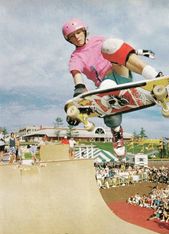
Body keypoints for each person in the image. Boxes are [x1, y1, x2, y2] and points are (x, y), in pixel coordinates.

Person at [62, 18, 163, 157]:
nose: (77, 37)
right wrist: (79, 91)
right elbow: (76, 73)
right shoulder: (76, 57)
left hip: (120, 71)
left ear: (84, 31)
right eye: (72, 36)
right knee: (106, 90)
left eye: (78, 33)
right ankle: (116, 131)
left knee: (109, 45)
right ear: (69, 40)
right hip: (107, 84)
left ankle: (155, 76)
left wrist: (138, 52)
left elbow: (117, 47)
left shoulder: (98, 40)